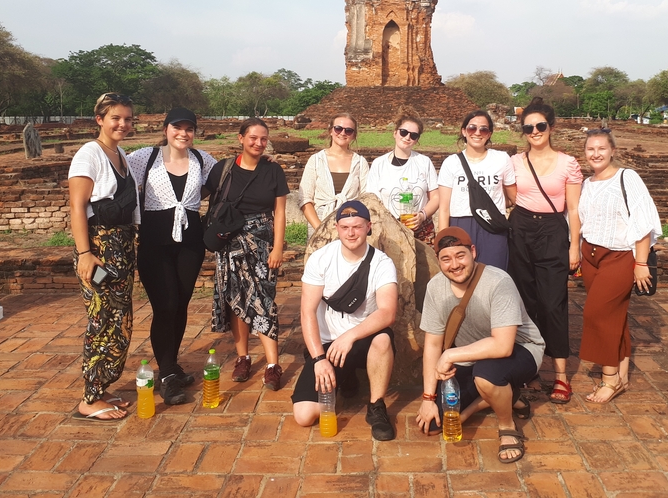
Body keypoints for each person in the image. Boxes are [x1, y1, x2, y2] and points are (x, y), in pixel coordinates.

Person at [415, 227, 544, 464]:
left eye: (460, 255)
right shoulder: (435, 288)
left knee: (487, 376)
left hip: (521, 349)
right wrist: (427, 399)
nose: (454, 264)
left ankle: (507, 427)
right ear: (438, 261)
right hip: (471, 358)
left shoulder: (498, 282)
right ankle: (503, 396)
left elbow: (503, 346)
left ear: (473, 252)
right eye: (446, 259)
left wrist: (450, 354)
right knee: (435, 424)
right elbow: (432, 345)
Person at [127, 108, 217, 405]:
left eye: (189, 128)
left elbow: (229, 175)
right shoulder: (145, 158)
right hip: (155, 243)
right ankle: (165, 373)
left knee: (180, 305)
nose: (183, 133)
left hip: (189, 244)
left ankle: (172, 365)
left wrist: (263, 160)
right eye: (177, 127)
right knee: (164, 306)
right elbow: (117, 173)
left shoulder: (202, 160)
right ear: (165, 129)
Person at [292, 200, 398, 441]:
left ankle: (376, 406)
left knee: (383, 338)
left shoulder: (381, 263)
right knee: (304, 415)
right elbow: (307, 312)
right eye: (345, 227)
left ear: (368, 227)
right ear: (337, 228)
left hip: (362, 339)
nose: (351, 233)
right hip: (328, 344)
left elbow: (387, 312)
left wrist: (350, 336)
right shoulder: (321, 259)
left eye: (357, 227)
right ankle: (344, 375)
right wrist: (319, 359)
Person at [68, 92, 140, 421]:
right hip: (98, 249)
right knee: (101, 321)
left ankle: (102, 385)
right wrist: (85, 253)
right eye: (116, 118)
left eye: (127, 118)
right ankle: (89, 398)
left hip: (121, 248)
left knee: (120, 321)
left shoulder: (120, 154)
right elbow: (77, 206)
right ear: (100, 119)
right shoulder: (89, 154)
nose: (122, 124)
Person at [577, 128, 661, 404]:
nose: (596, 154)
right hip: (591, 257)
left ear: (613, 150)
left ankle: (609, 379)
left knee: (596, 313)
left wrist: (640, 262)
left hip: (620, 257)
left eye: (601, 148)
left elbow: (642, 221)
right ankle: (622, 375)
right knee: (614, 315)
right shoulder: (588, 183)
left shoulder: (627, 178)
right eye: (591, 149)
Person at [507, 99, 582, 403]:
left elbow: (574, 209)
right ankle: (531, 369)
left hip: (553, 231)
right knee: (526, 301)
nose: (534, 131)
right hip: (521, 229)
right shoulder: (514, 162)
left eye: (540, 126)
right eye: (528, 127)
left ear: (551, 127)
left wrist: (574, 246)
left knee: (553, 303)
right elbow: (513, 198)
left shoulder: (568, 163)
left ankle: (561, 375)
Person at [205, 118, 289, 390]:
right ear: (241, 138)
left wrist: (278, 247)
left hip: (262, 242)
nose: (258, 143)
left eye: (263, 139)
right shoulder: (223, 169)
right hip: (230, 242)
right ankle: (243, 357)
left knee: (264, 298)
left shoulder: (273, 171)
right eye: (253, 138)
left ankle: (273, 363)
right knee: (234, 298)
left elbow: (280, 212)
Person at [437, 110, 516, 270]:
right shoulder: (451, 163)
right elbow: (444, 208)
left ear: (489, 134)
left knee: (495, 275)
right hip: (461, 223)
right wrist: (443, 242)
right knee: (462, 274)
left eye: (483, 129)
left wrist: (494, 204)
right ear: (464, 131)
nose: (477, 133)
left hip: (492, 226)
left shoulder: (501, 159)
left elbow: (512, 197)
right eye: (472, 128)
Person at [365, 109, 440, 245]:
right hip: (388, 230)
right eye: (403, 132)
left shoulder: (424, 162)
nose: (407, 138)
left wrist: (422, 215)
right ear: (395, 133)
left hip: (420, 229)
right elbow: (373, 201)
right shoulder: (379, 164)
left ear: (417, 140)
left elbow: (435, 197)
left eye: (413, 135)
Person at [299, 113, 369, 236]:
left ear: (353, 135)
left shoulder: (360, 162)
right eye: (338, 128)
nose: (342, 133)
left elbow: (366, 199)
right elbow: (305, 199)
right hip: (319, 220)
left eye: (348, 130)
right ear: (331, 131)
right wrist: (320, 228)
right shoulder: (316, 160)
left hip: (351, 224)